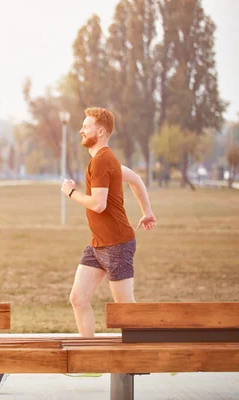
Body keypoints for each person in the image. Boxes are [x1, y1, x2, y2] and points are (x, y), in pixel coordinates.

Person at [61, 107, 157, 338]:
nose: (81, 130)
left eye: (86, 126)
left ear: (101, 131)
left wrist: (71, 193)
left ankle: (145, 352)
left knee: (125, 308)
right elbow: (135, 178)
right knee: (78, 298)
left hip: (116, 244)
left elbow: (98, 204)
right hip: (98, 244)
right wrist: (148, 211)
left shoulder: (102, 161)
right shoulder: (104, 159)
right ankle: (88, 357)